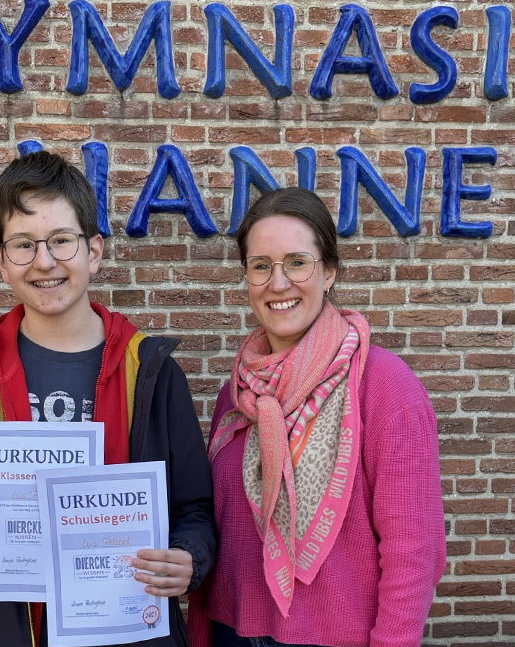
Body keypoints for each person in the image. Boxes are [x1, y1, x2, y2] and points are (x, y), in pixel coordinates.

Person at [0, 150, 216, 646]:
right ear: (1, 262)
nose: (44, 262)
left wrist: (188, 558)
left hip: (128, 630)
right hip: (8, 633)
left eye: (61, 240)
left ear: (93, 251)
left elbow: (195, 509)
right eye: (23, 245)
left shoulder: (153, 372)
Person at [188, 188, 445, 647]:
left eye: (297, 262)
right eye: (260, 265)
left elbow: (414, 550)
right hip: (234, 629)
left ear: (328, 273)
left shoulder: (384, 386)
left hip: (332, 636)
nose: (278, 282)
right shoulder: (238, 392)